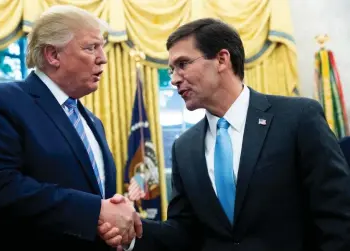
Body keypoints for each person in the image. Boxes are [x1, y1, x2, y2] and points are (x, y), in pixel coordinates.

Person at [99, 18, 350, 251]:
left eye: (182, 64)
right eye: (172, 69)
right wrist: (132, 231)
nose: (174, 79)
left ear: (221, 59)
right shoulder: (184, 148)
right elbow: (183, 231)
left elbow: (337, 214)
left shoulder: (297, 117)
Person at [0, 5, 141, 251]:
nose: (103, 57)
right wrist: (95, 210)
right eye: (91, 47)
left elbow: (99, 202)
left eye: (102, 47)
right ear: (53, 55)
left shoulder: (93, 122)